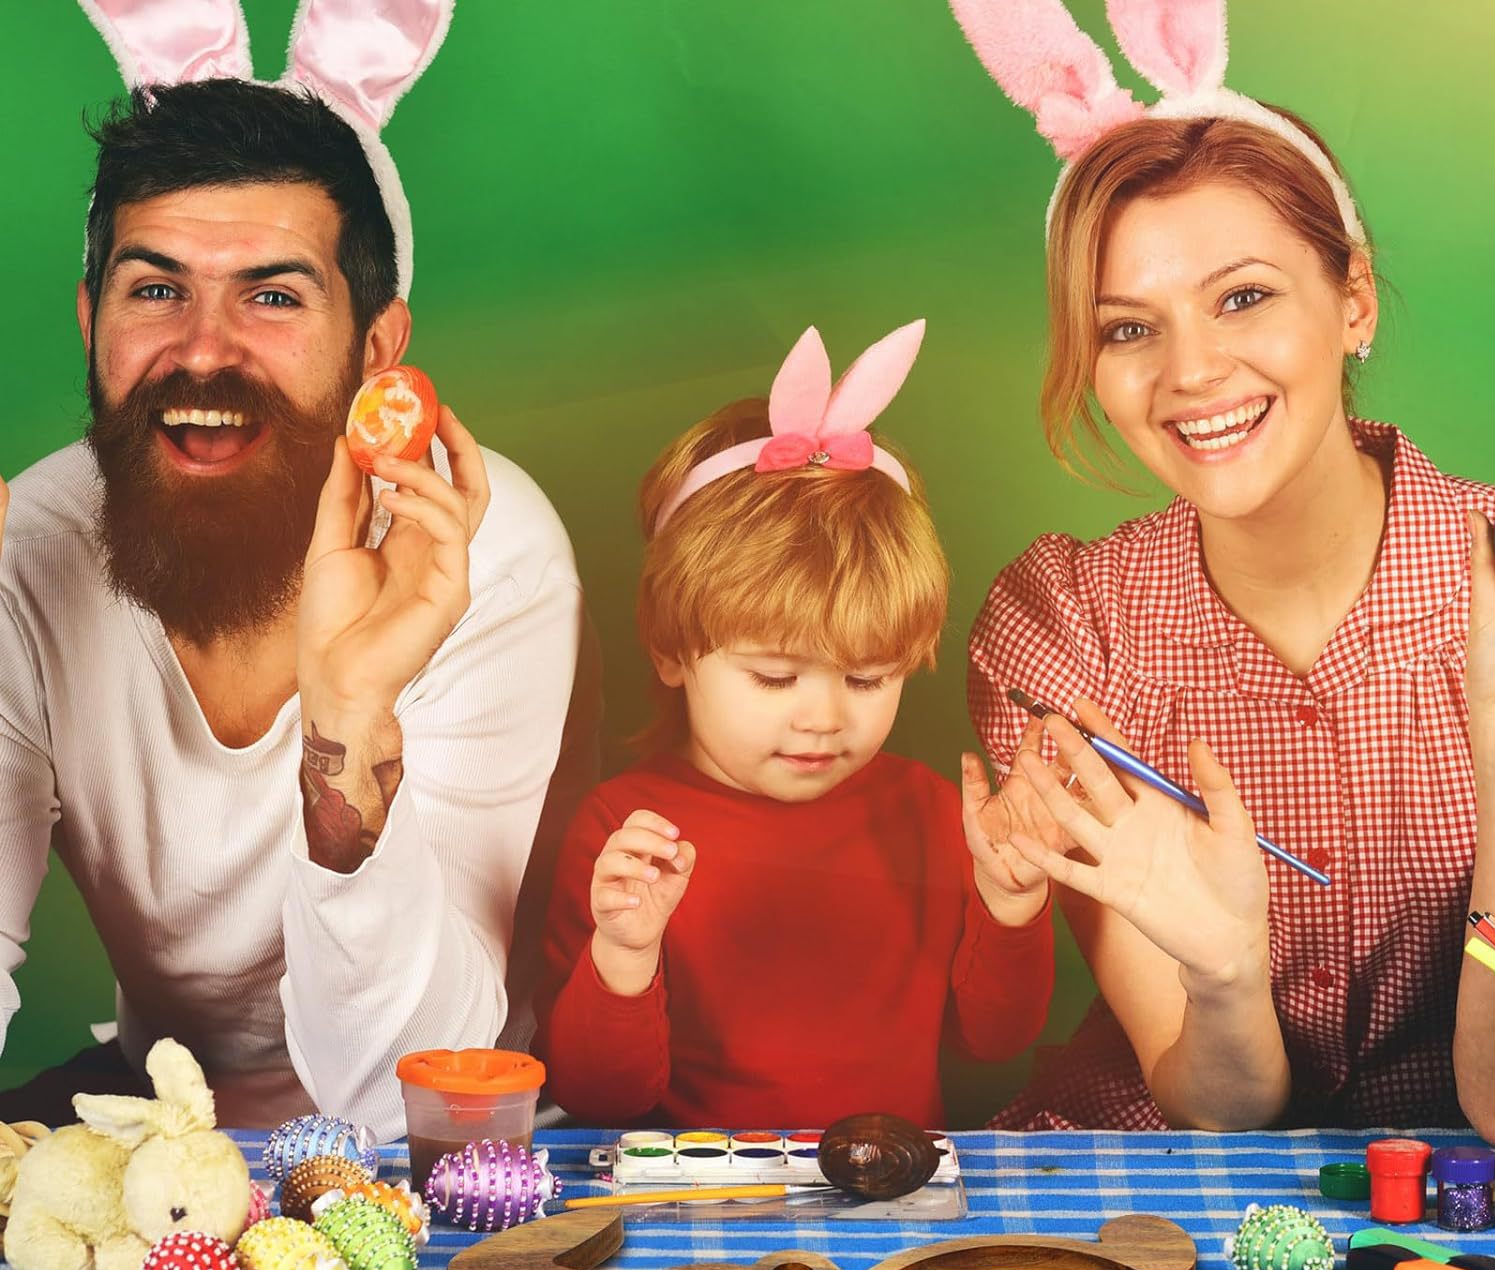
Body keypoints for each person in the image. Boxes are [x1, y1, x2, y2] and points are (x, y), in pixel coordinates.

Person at [0, 65, 591, 1137]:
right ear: (92, 320)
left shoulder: (479, 552)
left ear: (377, 348)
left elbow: (407, 1096)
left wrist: (351, 717)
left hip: (449, 1131)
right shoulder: (27, 555)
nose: (203, 350)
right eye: (155, 290)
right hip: (159, 1114)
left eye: (273, 297)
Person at [951, 0, 1495, 1134]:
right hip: (1148, 1182)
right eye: (1128, 328)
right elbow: (1216, 1104)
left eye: (1242, 297)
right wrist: (1223, 974)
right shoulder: (1065, 628)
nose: (1192, 372)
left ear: (1353, 300)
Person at [533, 321, 1060, 1127]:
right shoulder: (626, 833)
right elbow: (597, 1099)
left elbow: (993, 1043)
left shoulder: (928, 813)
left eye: (867, 678)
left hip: (891, 1188)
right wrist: (624, 955)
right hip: (700, 1194)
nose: (824, 718)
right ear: (672, 651)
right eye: (775, 677)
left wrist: (1011, 905)